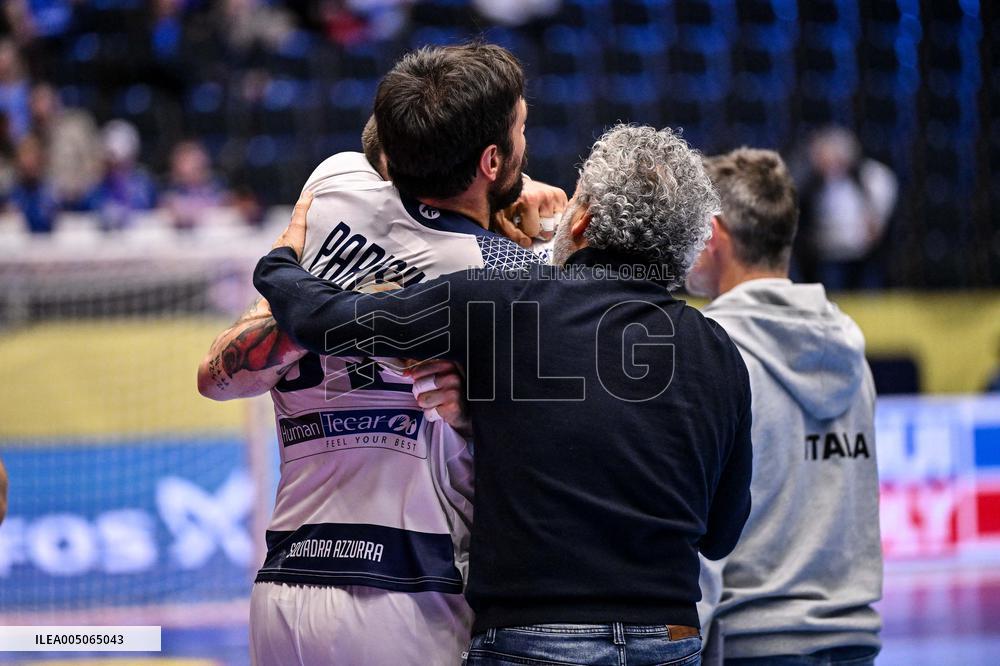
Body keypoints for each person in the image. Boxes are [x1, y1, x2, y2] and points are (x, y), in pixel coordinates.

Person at [255, 124, 754, 666]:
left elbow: (327, 321)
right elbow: (722, 535)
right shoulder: (718, 351)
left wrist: (279, 261)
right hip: (670, 639)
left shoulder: (501, 305)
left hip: (533, 634)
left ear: (580, 221)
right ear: (684, 247)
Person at [198, 43, 565, 665]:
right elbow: (547, 450)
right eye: (521, 130)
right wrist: (541, 226)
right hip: (407, 589)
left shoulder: (333, 182)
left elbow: (217, 377)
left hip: (286, 581)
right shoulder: (504, 274)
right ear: (492, 159)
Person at [686, 148, 882, 664]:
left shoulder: (714, 352)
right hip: (853, 638)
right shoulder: (848, 349)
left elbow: (701, 531)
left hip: (755, 641)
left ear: (714, 233)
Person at [795, 127, 897, 291]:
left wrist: (875, 223)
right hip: (827, 254)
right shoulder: (812, 183)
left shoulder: (870, 176)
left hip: (863, 253)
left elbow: (876, 222)